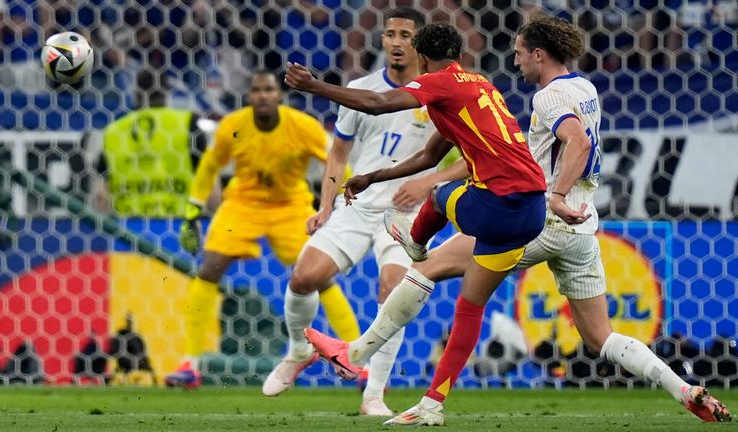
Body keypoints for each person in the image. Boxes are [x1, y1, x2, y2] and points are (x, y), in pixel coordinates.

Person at [303, 15, 733, 426]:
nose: (516, 61)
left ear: (540, 55)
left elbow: (578, 142)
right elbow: (451, 149)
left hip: (540, 215)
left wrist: (558, 195)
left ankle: (359, 355)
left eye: (521, 53)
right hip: (584, 226)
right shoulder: (584, 87)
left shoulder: (547, 96)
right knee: (600, 338)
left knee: (426, 268)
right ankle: (684, 390)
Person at [285, 20, 548, 420]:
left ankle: (415, 244)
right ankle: (430, 405)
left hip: (500, 203)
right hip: (532, 211)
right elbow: (428, 156)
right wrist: (372, 176)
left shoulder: (441, 83)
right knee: (468, 308)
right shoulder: (476, 85)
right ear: (458, 54)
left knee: (439, 196)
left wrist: (314, 87)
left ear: (422, 58)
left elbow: (376, 103)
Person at [262, 7, 467, 416]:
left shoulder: (440, 93)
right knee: (304, 278)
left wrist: (427, 183)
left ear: (419, 42)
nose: (395, 42)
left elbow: (468, 157)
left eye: (405, 35)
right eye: (389, 33)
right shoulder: (361, 89)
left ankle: (374, 394)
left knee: (393, 292)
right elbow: (337, 156)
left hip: (407, 215)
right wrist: (324, 207)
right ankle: (298, 350)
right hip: (357, 205)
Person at [163, 70, 360, 388]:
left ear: (279, 96)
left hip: (290, 204)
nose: (263, 95)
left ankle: (357, 358)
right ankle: (191, 364)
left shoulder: (301, 126)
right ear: (249, 96)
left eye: (269, 90)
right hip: (244, 202)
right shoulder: (233, 125)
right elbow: (210, 166)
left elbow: (338, 160)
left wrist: (341, 200)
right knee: (209, 268)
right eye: (256, 90)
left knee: (318, 276)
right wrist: (192, 211)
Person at [95, 69, 207, 217]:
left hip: (128, 230)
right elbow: (209, 181)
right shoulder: (187, 123)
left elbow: (102, 195)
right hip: (178, 226)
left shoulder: (114, 131)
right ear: (167, 91)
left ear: (136, 93)